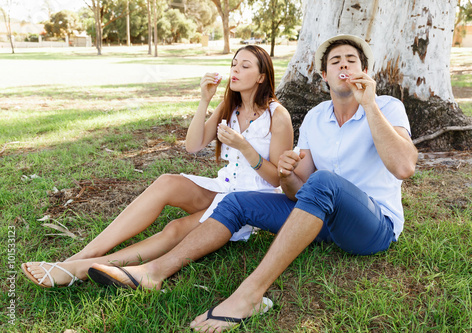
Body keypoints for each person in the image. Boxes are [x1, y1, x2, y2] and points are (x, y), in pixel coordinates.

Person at [82, 34, 416, 331]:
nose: (343, 64)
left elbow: (403, 167)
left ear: (365, 70)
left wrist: (369, 104)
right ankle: (154, 272)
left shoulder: (387, 107)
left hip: (375, 228)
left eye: (351, 60)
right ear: (324, 75)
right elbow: (300, 191)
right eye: (334, 61)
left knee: (325, 181)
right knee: (236, 201)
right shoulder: (316, 118)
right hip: (322, 224)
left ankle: (249, 295)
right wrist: (286, 173)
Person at [21, 44, 293, 288]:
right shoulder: (229, 106)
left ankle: (80, 270)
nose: (235, 69)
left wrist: (245, 147)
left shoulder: (277, 116)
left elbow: (277, 181)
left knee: (175, 229)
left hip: (251, 201)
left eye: (245, 66)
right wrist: (204, 100)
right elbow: (193, 145)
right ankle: (82, 255)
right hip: (223, 186)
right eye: (234, 64)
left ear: (261, 76)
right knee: (166, 182)